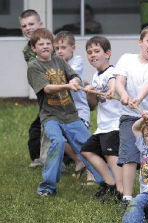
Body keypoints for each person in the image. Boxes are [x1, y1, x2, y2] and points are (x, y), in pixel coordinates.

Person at [27, 28, 104, 196]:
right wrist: (67, 86)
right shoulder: (34, 66)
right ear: (34, 48)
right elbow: (47, 88)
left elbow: (74, 75)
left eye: (48, 43)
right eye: (41, 44)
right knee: (58, 143)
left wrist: (75, 80)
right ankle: (48, 187)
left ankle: (107, 183)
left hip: (70, 114)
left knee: (88, 146)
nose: (46, 47)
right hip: (50, 116)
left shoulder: (59, 62)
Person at [115, 25, 148, 209]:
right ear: (140, 42)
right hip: (130, 117)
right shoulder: (126, 59)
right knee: (129, 157)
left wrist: (138, 98)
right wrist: (122, 94)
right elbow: (119, 81)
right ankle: (127, 199)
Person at [81, 36, 123, 198]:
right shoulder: (95, 76)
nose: (92, 55)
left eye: (96, 51)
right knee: (87, 150)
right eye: (89, 52)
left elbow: (113, 84)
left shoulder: (112, 72)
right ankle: (110, 184)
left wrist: (111, 91)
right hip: (103, 126)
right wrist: (90, 92)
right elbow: (93, 104)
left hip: (114, 125)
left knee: (111, 156)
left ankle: (121, 190)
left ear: (107, 53)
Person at [53, 30, 95, 185]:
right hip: (62, 111)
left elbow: (68, 77)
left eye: (63, 47)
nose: (59, 51)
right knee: (58, 138)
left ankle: (92, 173)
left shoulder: (77, 61)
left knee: (83, 142)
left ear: (73, 48)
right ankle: (79, 160)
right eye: (56, 48)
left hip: (78, 110)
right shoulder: (54, 62)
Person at [19, 9, 43, 168]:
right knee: (38, 127)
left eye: (31, 24)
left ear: (40, 24)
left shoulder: (50, 42)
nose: (28, 28)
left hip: (61, 91)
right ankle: (37, 157)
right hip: (44, 93)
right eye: (24, 25)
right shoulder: (27, 50)